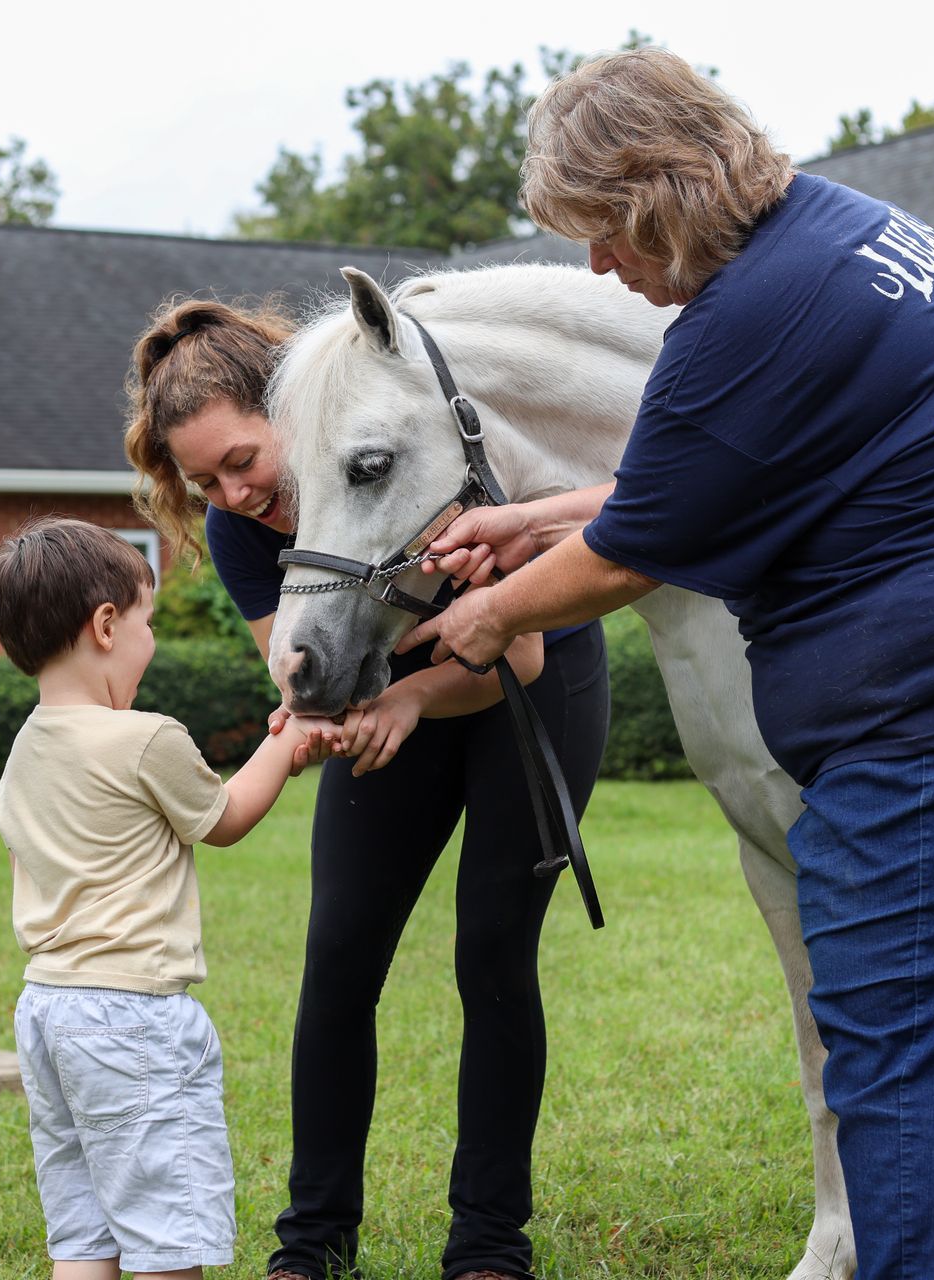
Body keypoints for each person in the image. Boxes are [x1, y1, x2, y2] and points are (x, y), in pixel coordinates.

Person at [400, 48, 934, 1280]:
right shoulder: (850, 233)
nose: (598, 266)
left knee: (907, 1047)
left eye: (600, 230)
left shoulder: (740, 322)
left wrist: (487, 617)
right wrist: (535, 521)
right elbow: (702, 482)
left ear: (654, 189)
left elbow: (631, 553)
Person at [123, 299, 611, 1280]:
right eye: (205, 478)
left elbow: (514, 643)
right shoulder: (241, 530)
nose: (233, 490)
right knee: (338, 957)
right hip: (388, 721)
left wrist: (401, 699)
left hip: (528, 690)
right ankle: (312, 1238)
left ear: (293, 415)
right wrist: (330, 716)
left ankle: (487, 1239)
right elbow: (295, 672)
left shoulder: (406, 456)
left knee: (494, 953)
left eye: (243, 459)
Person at [0, 516, 331, 1280]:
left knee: (84, 1229)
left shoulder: (26, 747)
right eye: (147, 622)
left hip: (47, 1008)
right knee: (166, 1230)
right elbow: (226, 817)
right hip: (130, 1016)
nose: (151, 641)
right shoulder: (143, 738)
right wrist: (292, 733)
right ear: (106, 625)